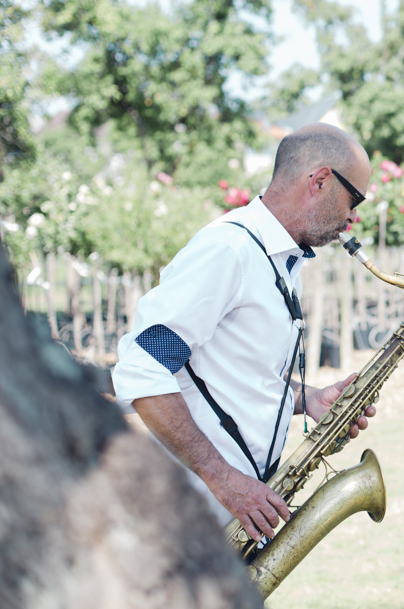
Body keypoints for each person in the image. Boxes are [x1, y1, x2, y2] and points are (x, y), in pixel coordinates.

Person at [112, 123, 373, 544]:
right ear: (321, 180)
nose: (354, 215)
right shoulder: (228, 252)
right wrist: (223, 479)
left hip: (229, 520)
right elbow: (144, 370)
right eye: (354, 198)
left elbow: (232, 375)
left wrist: (307, 400)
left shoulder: (282, 262)